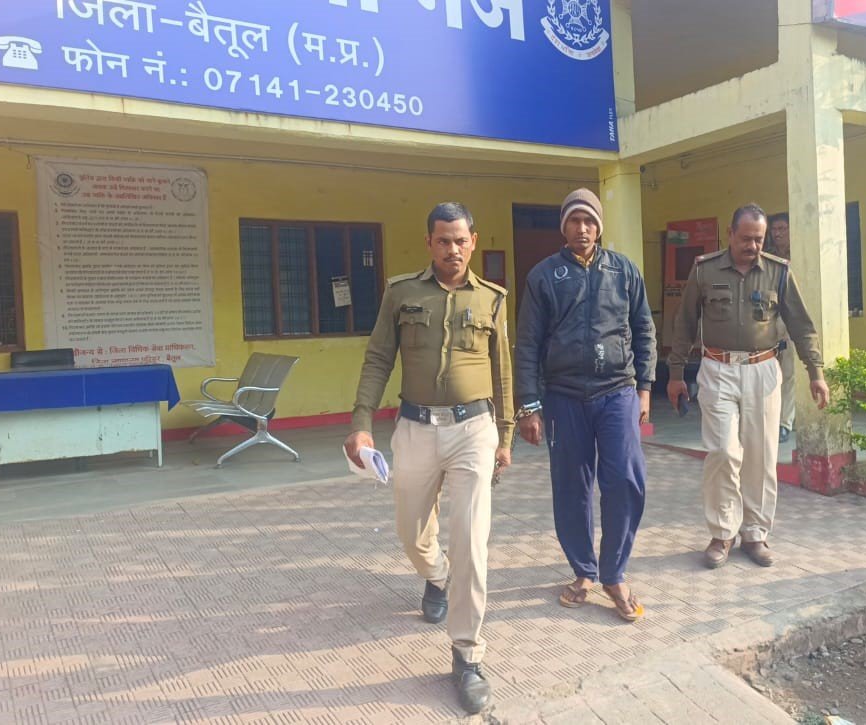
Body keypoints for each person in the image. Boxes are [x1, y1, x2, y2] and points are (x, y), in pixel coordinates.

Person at [344, 202, 512, 715]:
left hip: (473, 430)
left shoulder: (493, 299)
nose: (452, 249)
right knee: (411, 533)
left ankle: (468, 656)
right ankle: (436, 576)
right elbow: (378, 357)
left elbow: (502, 370)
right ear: (429, 243)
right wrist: (361, 423)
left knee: (470, 541)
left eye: (461, 240)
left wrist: (505, 435)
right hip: (415, 428)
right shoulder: (401, 293)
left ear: (473, 241)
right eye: (443, 241)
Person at [514, 188, 657, 622]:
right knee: (571, 487)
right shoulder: (544, 276)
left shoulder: (624, 270)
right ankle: (584, 572)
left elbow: (644, 329)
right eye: (574, 221)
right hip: (564, 396)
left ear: (599, 226)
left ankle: (615, 574)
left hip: (617, 392)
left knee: (625, 480)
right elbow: (527, 344)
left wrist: (645, 388)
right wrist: (529, 406)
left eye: (590, 221)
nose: (583, 228)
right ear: (564, 226)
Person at [666, 203, 829, 569]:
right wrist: (676, 374)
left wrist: (815, 372)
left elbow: (802, 326)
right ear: (730, 234)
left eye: (759, 239)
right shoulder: (705, 270)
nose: (753, 246)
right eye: (746, 239)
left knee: (761, 455)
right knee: (723, 452)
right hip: (717, 368)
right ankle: (722, 532)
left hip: (763, 370)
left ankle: (755, 533)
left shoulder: (778, 272)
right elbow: (685, 323)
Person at [764, 212, 797, 443]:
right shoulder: (767, 256)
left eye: (782, 229)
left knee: (789, 370)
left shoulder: (801, 254)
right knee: (768, 369)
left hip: (792, 317)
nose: (777, 233)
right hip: (769, 316)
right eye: (774, 230)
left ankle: (785, 422)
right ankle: (769, 418)